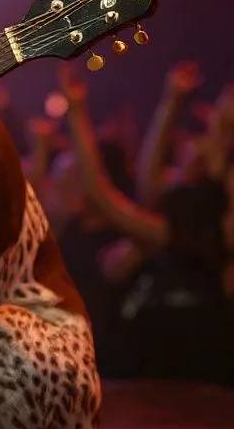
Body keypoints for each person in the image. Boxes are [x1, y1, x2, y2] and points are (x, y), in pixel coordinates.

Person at [60, 65, 234, 383]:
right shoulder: (194, 206)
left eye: (211, 131)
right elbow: (150, 184)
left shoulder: (205, 224)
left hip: (196, 372)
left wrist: (76, 114)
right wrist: (170, 103)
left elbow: (104, 198)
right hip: (164, 367)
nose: (197, 142)